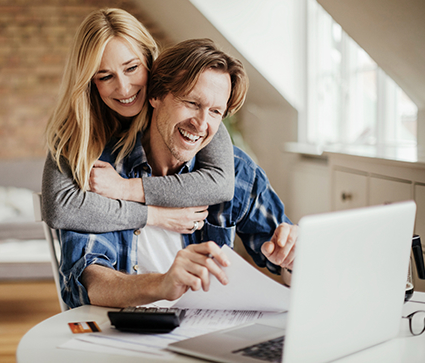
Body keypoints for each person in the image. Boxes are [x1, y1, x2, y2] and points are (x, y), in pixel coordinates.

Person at [58, 39, 297, 309]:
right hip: (126, 333)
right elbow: (89, 281)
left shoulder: (237, 171)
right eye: (192, 103)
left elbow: (284, 264)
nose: (202, 124)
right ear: (156, 95)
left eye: (216, 111)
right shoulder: (103, 173)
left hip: (208, 332)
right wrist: (161, 284)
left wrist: (292, 259)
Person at [42, 8, 237, 235]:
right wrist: (156, 215)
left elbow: (221, 184)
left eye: (132, 68)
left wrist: (124, 188)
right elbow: (60, 208)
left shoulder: (183, 108)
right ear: (89, 82)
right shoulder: (76, 128)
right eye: (105, 76)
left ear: (148, 59)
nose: (124, 88)